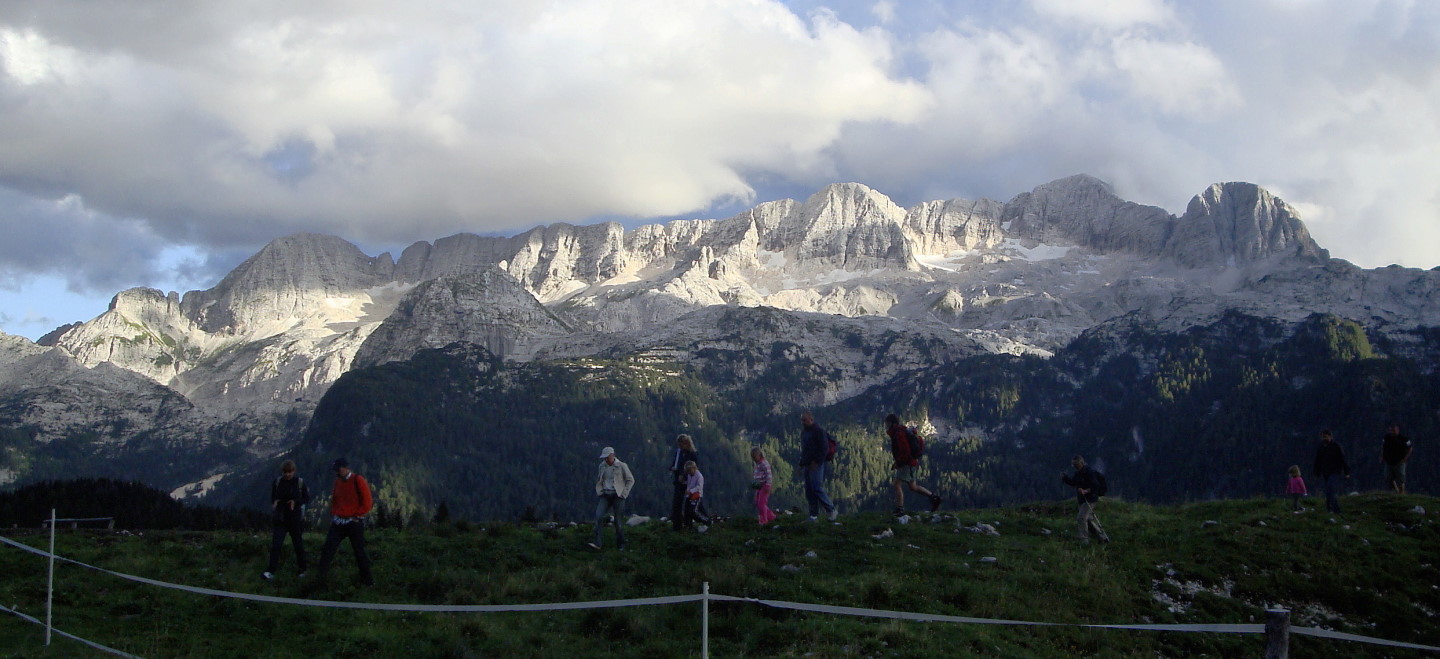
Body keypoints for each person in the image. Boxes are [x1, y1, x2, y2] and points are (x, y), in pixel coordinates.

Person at [315, 458, 374, 585]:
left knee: (359, 552)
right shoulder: (338, 482)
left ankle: (368, 581)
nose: (336, 472)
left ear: (345, 468)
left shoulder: (358, 480)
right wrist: (334, 513)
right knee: (328, 549)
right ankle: (320, 579)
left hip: (354, 522)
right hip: (339, 522)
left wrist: (356, 515)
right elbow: (335, 499)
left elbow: (367, 502)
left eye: (338, 469)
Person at [884, 414, 942, 515]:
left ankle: (900, 509)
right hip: (910, 463)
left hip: (907, 463)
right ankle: (934, 498)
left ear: (892, 423)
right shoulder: (901, 431)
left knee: (897, 484)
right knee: (913, 487)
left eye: (887, 423)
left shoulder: (898, 434)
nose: (886, 426)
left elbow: (905, 451)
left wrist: (899, 463)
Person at [263, 460, 310, 580]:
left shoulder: (299, 482)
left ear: (294, 471)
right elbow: (273, 496)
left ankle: (303, 569)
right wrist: (276, 502)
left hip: (294, 518)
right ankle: (271, 570)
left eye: (290, 472)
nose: (287, 474)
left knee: (298, 544)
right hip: (281, 517)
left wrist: (296, 502)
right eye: (285, 472)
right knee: (276, 545)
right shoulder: (278, 482)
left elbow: (306, 498)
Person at [588, 447, 635, 551]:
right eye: (604, 458)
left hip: (618, 495)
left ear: (612, 455)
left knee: (618, 521)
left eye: (607, 457)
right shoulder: (602, 466)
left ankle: (621, 544)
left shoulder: (622, 466)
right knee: (598, 516)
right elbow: (600, 478)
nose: (605, 460)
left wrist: (624, 493)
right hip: (605, 494)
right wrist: (600, 491)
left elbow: (630, 480)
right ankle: (598, 543)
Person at [1061, 455, 1109, 544]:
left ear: (1082, 463)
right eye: (1073, 465)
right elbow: (1073, 483)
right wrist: (1065, 478)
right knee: (1088, 519)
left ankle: (1083, 540)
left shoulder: (1090, 472)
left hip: (1090, 499)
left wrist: (1085, 491)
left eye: (1076, 464)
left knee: (1081, 518)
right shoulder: (1078, 473)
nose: (1075, 466)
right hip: (1082, 499)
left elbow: (1095, 485)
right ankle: (1102, 538)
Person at [799, 412, 837, 522]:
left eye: (804, 420)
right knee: (809, 490)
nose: (803, 422)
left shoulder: (819, 431)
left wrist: (816, 462)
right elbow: (805, 450)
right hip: (807, 464)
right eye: (802, 420)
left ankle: (831, 510)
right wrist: (801, 463)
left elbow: (824, 448)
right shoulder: (804, 433)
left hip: (816, 464)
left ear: (811, 419)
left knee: (816, 487)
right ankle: (813, 515)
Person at [1313, 430, 1350, 514]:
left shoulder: (1336, 446)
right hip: (1325, 472)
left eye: (1325, 436)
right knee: (1328, 491)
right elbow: (1318, 460)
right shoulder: (1321, 447)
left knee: (1331, 489)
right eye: (1322, 437)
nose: (1324, 438)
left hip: (1335, 471)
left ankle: (1335, 510)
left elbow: (1342, 459)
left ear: (1330, 436)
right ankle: (1330, 509)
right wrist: (1317, 472)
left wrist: (1346, 471)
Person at [668, 434, 699, 531]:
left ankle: (688, 524)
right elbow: (675, 464)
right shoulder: (679, 453)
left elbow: (693, 469)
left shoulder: (692, 454)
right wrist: (672, 469)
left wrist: (684, 475)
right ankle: (677, 525)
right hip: (679, 482)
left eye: (681, 444)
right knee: (677, 504)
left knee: (688, 505)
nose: (680, 446)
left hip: (689, 483)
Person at [1381, 424, 1414, 494]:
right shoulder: (1386, 438)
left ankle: (1401, 493)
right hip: (1389, 461)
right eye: (1390, 430)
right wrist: (1382, 456)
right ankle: (1396, 491)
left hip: (1399, 461)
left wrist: (1405, 458)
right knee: (1388, 477)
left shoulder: (1404, 439)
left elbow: (1410, 448)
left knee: (1401, 478)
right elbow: (1383, 447)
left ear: (1397, 430)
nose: (1392, 432)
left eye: (1393, 430)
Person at [683, 460, 712, 531]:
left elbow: (699, 487)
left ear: (694, 468)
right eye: (687, 470)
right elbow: (689, 483)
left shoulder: (699, 476)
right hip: (689, 496)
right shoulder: (690, 475)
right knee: (687, 511)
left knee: (694, 511)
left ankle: (707, 521)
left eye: (689, 470)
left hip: (697, 496)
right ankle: (688, 526)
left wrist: (690, 491)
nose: (689, 472)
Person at [751, 447, 776, 526]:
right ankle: (770, 516)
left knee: (761, 503)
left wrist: (768, 486)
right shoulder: (758, 464)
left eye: (754, 457)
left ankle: (763, 520)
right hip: (759, 486)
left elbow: (769, 475)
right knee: (757, 502)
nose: (754, 459)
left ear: (759, 455)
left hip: (765, 486)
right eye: (752, 457)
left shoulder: (764, 464)